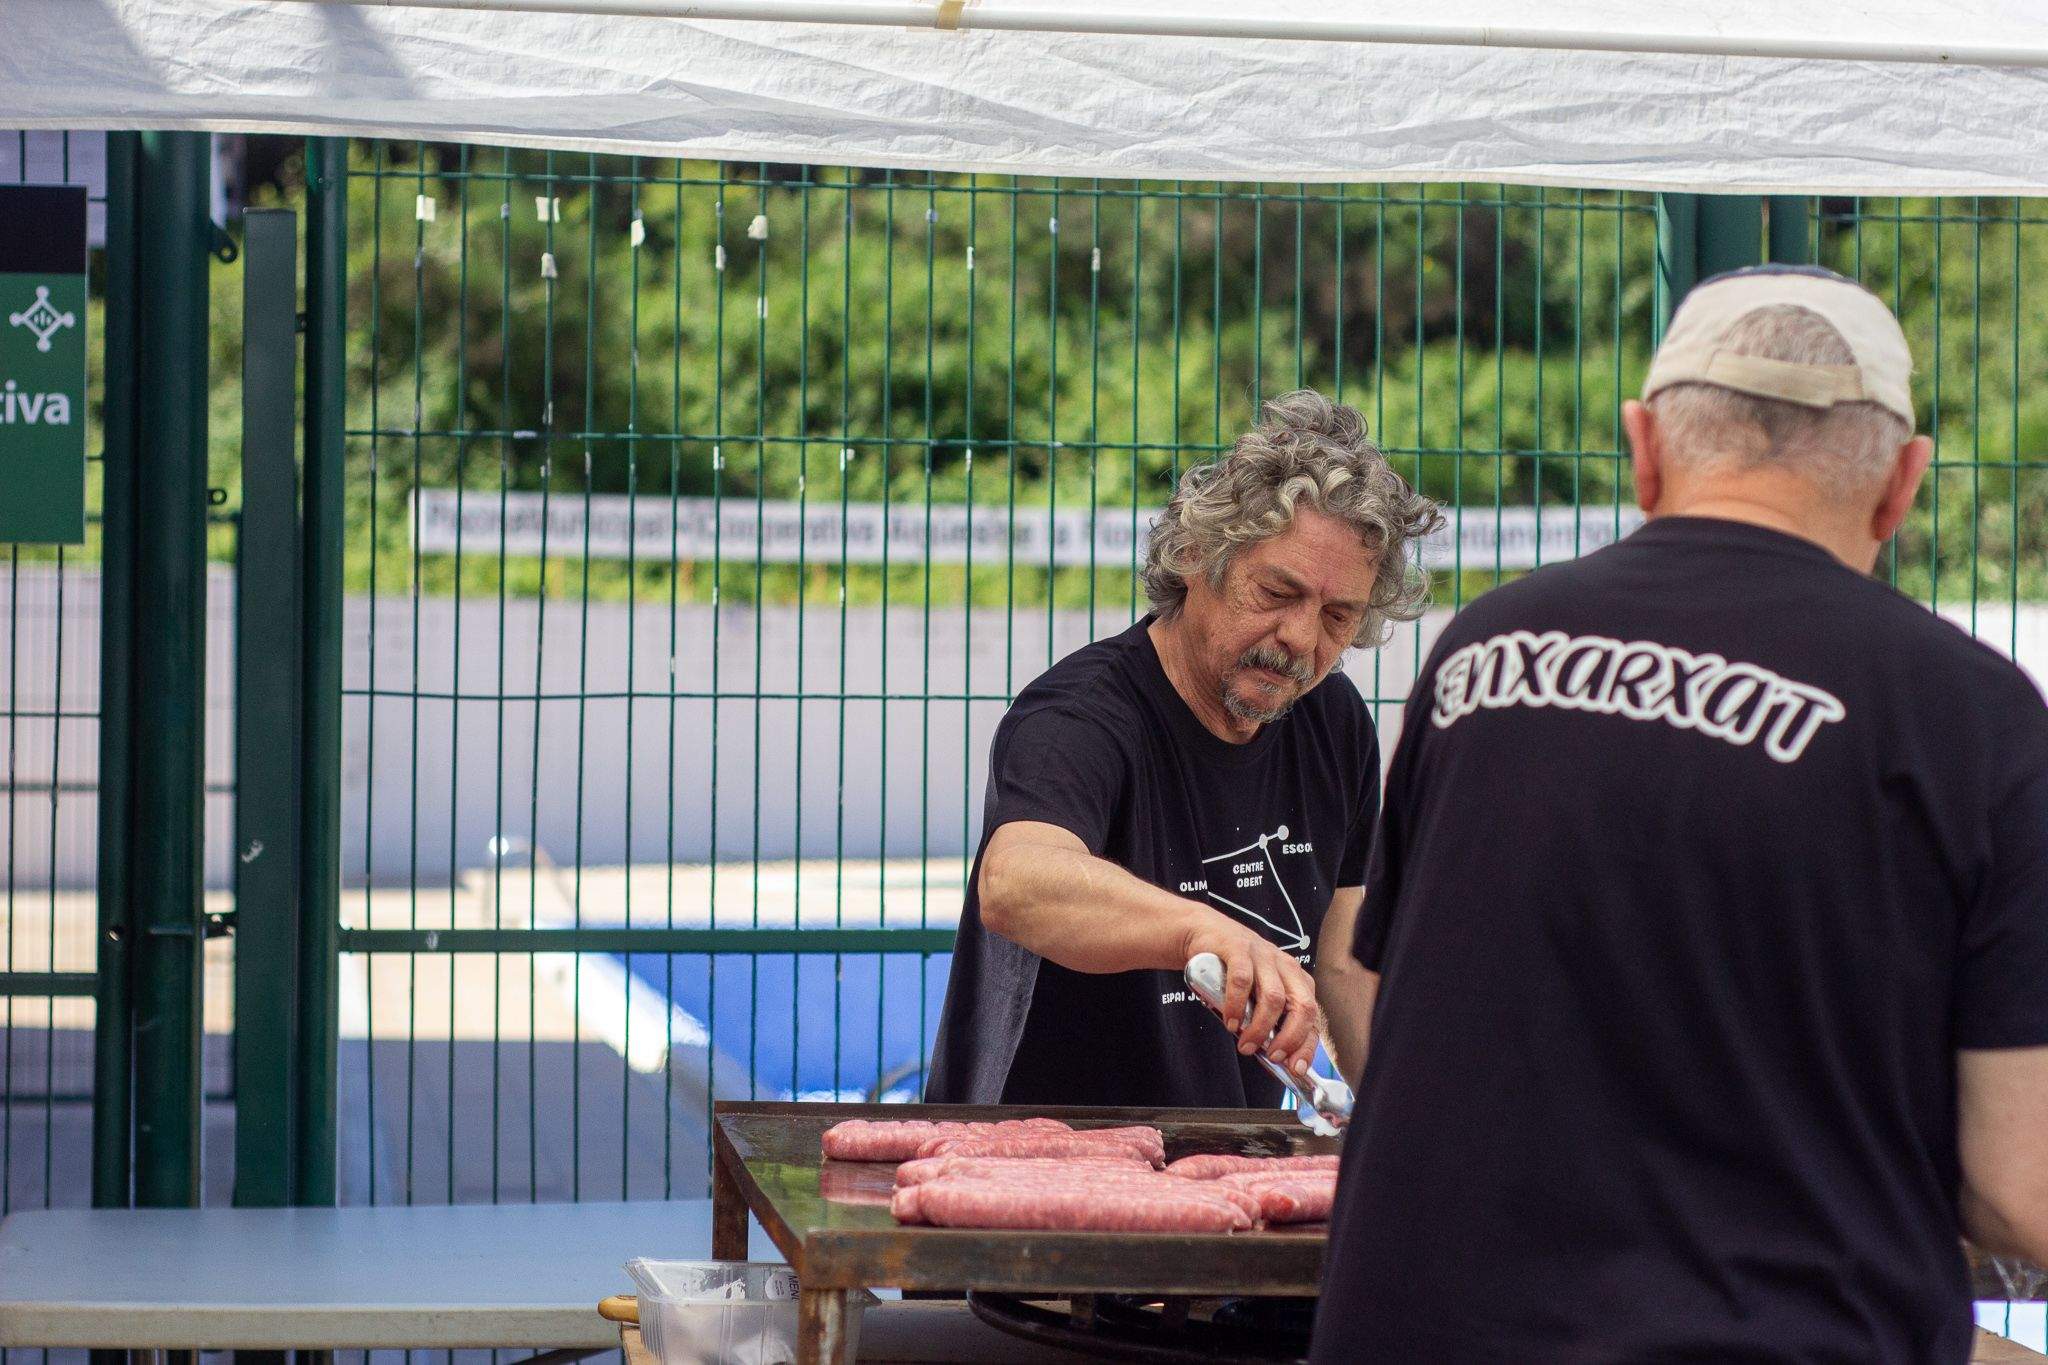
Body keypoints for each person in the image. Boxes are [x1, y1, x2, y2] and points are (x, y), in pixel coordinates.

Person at [1311, 265, 2048, 1363]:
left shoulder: (1479, 655)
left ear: (1642, 450)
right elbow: (2013, 1183)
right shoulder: (1968, 713)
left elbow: (1368, 989)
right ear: (1900, 484)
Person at [923, 390, 1441, 1107]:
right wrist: (1203, 929)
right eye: (1276, 592)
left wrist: (1408, 1120)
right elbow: (1016, 882)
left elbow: (1344, 965)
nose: (1300, 637)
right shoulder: (1079, 716)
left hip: (1228, 1169)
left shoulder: (1334, 721)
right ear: (1198, 556)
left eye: (1337, 615)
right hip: (1039, 1166)